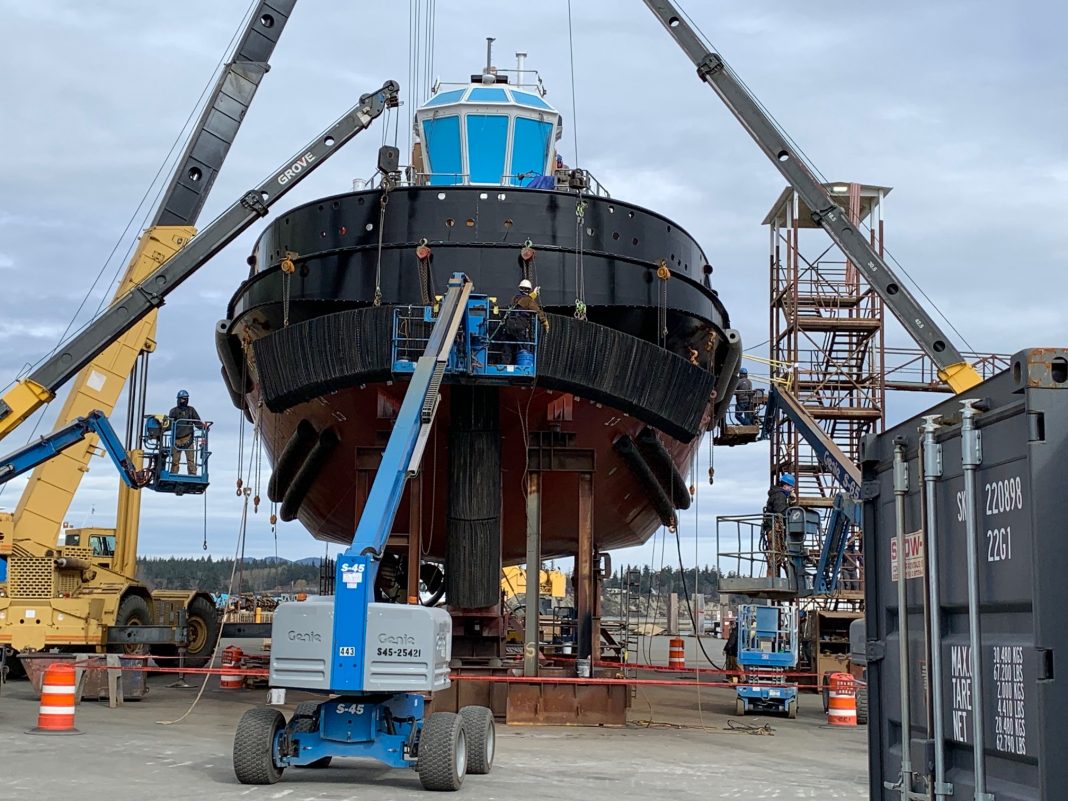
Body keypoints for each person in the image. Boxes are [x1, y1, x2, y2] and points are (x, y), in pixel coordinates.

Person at [501, 279, 550, 364]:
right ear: (529, 290)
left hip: (509, 326)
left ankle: (505, 365)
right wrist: (544, 322)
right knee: (523, 348)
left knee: (508, 347)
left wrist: (533, 295)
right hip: (520, 327)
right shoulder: (529, 301)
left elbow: (523, 301)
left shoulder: (514, 299)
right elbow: (537, 311)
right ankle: (523, 366)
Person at [762, 473, 795, 576]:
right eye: (791, 487)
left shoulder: (777, 494)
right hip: (774, 529)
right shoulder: (779, 496)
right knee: (775, 556)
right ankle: (772, 579)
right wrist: (792, 509)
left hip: (773, 529)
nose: (791, 490)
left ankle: (774, 578)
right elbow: (781, 511)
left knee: (776, 555)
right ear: (786, 486)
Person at [169, 390, 203, 475]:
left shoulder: (191, 410)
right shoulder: (173, 411)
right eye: (181, 399)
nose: (183, 401)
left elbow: (197, 422)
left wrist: (204, 427)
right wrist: (161, 428)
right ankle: (173, 473)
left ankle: (192, 474)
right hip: (176, 440)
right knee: (175, 460)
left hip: (188, 439)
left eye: (185, 399)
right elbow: (169, 424)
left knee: (191, 460)